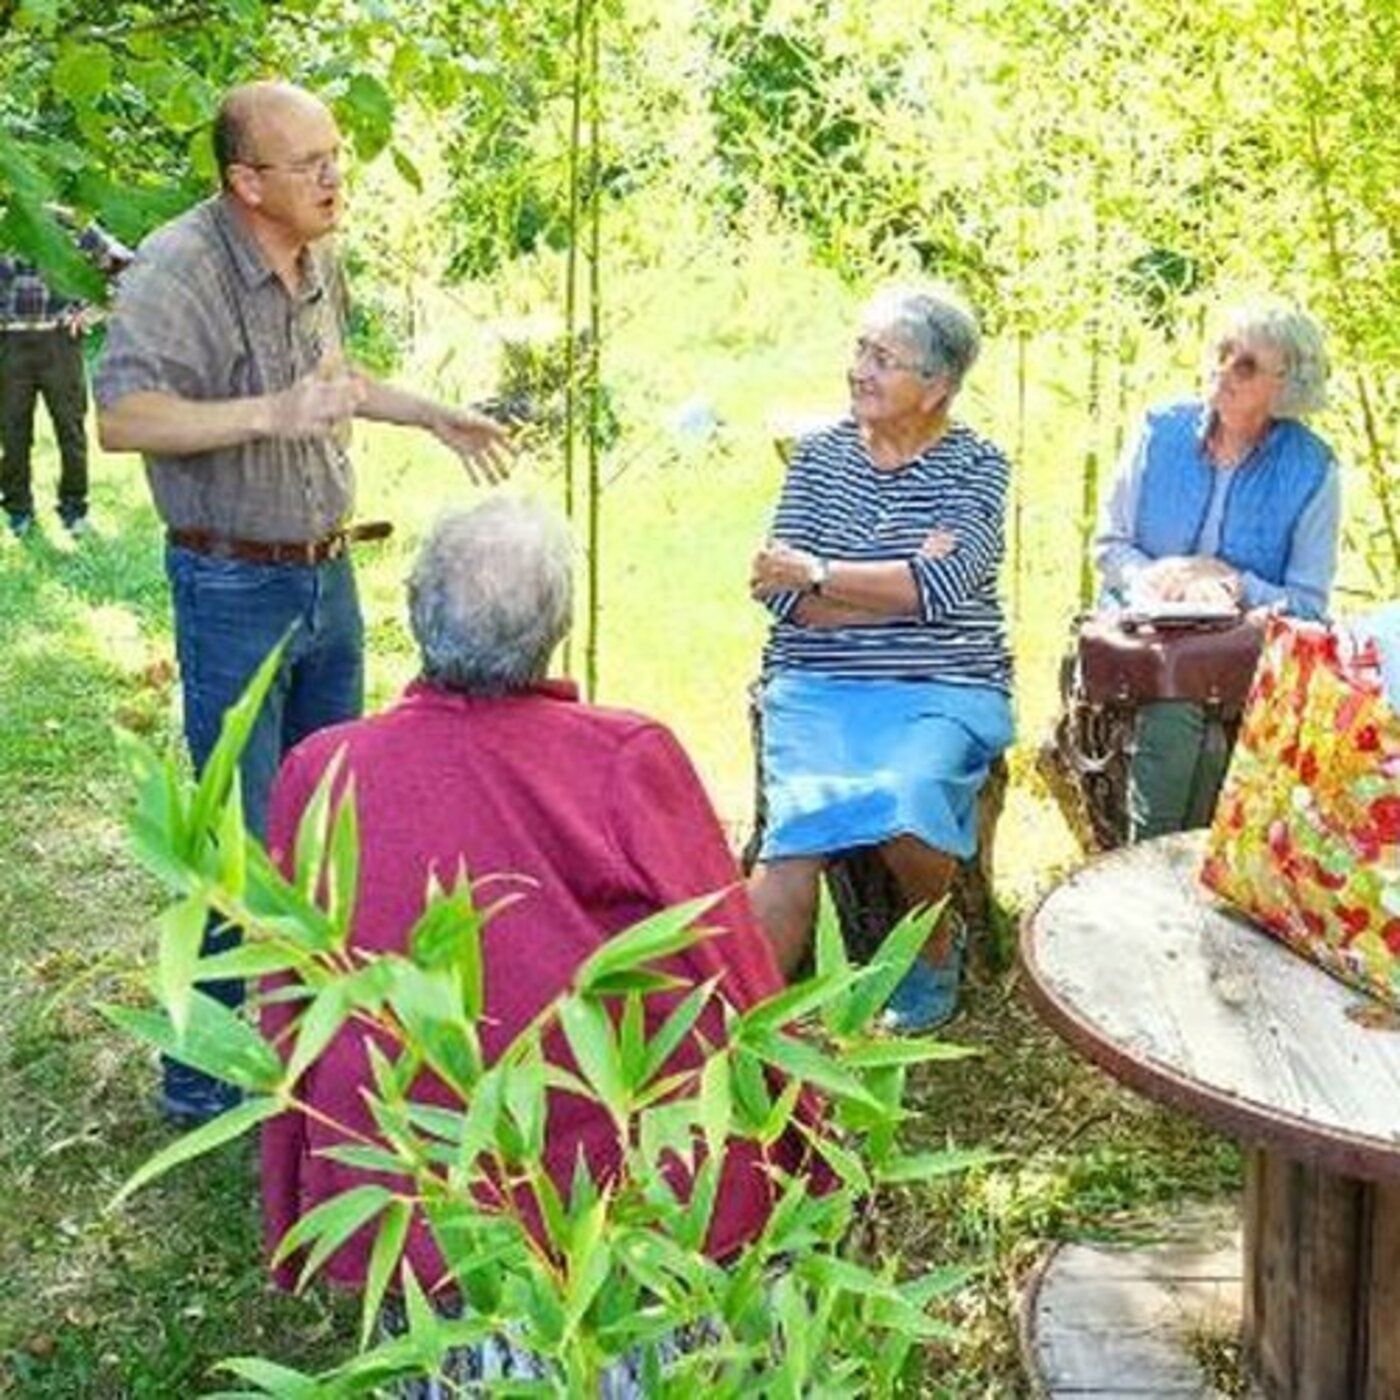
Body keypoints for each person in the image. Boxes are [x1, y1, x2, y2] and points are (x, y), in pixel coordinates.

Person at [261, 499, 801, 1384]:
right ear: (557, 628)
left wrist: (294, 1191)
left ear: (415, 610)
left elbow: (293, 1009)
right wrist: (802, 1134)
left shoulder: (323, 769)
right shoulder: (625, 753)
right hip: (614, 1188)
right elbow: (730, 963)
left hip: (419, 1181)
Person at [93, 79, 510, 1125]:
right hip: (232, 580)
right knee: (235, 834)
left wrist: (432, 417)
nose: (334, 176)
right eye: (309, 162)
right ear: (245, 181)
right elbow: (125, 418)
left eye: (335, 155)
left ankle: (308, 1054)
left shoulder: (315, 249)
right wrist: (271, 412)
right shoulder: (178, 266)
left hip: (326, 571)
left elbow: (338, 381)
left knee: (327, 825)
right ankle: (199, 1079)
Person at [747, 285, 1014, 1032]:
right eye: (861, 349)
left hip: (941, 685)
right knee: (793, 836)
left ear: (938, 387)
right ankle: (744, 1015)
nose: (859, 369)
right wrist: (885, 586)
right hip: (818, 683)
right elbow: (776, 591)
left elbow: (942, 584)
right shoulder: (820, 458)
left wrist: (824, 572)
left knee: (908, 794)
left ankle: (934, 944)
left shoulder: (978, 468)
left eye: (883, 359)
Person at [1095, 301, 1340, 841]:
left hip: (1244, 645)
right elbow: (1110, 546)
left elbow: (1308, 605)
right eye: (1222, 354)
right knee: (1181, 711)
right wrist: (1157, 578)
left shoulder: (1313, 469)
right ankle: (1159, 863)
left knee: (1196, 721)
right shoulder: (1160, 432)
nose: (1224, 371)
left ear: (1287, 385)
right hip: (1147, 633)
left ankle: (1160, 869)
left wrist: (1232, 581)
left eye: (1246, 365)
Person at [0, 214, 131, 536]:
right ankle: (18, 509)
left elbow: (128, 268)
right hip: (9, 344)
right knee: (12, 432)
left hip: (60, 342)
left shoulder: (72, 223)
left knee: (70, 430)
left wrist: (97, 310)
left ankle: (74, 508)